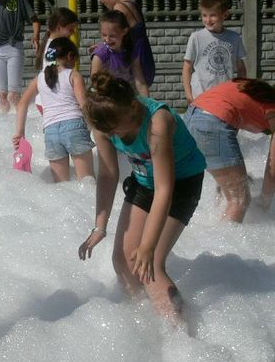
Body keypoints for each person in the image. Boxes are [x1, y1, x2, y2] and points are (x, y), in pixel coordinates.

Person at [78, 72, 206, 323]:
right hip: (144, 179)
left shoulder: (158, 123)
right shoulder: (105, 123)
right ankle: (145, 321)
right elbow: (108, 174)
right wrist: (99, 227)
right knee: (122, 261)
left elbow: (165, 189)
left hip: (181, 183)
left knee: (151, 263)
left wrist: (147, 246)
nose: (112, 136)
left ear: (133, 108)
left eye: (116, 129)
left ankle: (182, 332)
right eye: (107, 131)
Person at [185, 78, 275, 222]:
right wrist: (265, 202)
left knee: (226, 188)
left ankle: (213, 220)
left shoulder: (249, 88)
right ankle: (222, 236)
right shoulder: (271, 109)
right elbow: (273, 167)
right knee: (239, 199)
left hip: (191, 118)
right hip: (211, 123)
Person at [13, 37, 94, 182]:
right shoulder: (73, 75)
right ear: (70, 56)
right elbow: (84, 105)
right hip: (74, 126)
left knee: (61, 187)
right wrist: (95, 126)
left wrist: (20, 133)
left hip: (51, 132)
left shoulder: (39, 79)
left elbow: (22, 103)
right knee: (87, 181)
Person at [182, 0, 247, 103]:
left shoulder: (235, 38)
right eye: (204, 15)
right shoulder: (196, 37)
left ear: (225, 15)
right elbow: (187, 68)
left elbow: (241, 68)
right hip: (200, 96)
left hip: (225, 96)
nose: (208, 20)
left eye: (212, 15)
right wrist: (189, 96)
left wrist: (242, 91)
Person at [94, 0, 155, 87]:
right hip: (144, 55)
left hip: (134, 59)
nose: (100, 0)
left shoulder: (119, 7)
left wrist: (104, 46)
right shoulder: (130, 3)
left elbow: (116, 33)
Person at [91, 10, 149, 96]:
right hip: (107, 98)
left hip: (128, 97)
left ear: (124, 31)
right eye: (104, 35)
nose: (107, 39)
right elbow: (95, 85)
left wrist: (147, 101)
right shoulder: (100, 55)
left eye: (112, 36)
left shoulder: (132, 50)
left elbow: (140, 82)